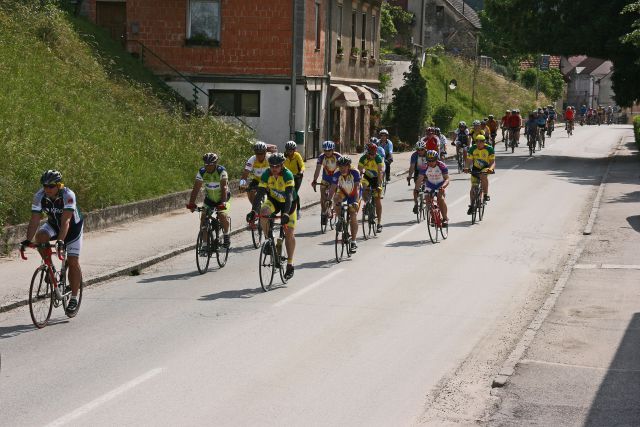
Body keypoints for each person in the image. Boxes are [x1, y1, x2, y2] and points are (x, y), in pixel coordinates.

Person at [22, 170, 84, 315]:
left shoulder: (68, 195)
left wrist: (61, 241)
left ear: (58, 185)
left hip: (73, 227)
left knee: (73, 261)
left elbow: (66, 221)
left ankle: (74, 297)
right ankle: (49, 267)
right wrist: (27, 240)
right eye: (45, 186)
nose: (47, 189)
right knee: (41, 236)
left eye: (51, 186)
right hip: (53, 225)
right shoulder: (39, 196)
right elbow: (35, 220)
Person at [246, 153, 297, 280]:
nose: (274, 169)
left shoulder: (287, 175)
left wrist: (285, 214)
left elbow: (289, 196)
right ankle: (269, 240)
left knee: (289, 233)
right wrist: (253, 211)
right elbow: (259, 194)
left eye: (277, 166)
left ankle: (290, 264)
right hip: (274, 201)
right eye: (272, 166)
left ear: (282, 165)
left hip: (288, 204)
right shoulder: (266, 174)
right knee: (263, 212)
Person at [186, 153, 231, 248]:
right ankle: (205, 244)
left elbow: (224, 187)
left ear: (215, 164)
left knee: (222, 215)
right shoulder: (202, 172)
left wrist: (223, 203)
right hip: (209, 199)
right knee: (203, 218)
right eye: (206, 165)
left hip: (223, 197)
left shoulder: (221, 171)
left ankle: (226, 235)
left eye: (210, 165)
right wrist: (191, 203)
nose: (208, 167)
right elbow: (196, 188)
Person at [327, 156, 361, 252]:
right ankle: (340, 219)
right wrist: (328, 199)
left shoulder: (355, 172)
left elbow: (357, 188)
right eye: (340, 166)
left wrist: (355, 201)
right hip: (343, 192)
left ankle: (354, 241)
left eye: (344, 166)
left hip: (354, 193)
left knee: (353, 215)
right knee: (336, 199)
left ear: (349, 166)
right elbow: (333, 187)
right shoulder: (337, 173)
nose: (342, 169)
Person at [312, 140, 342, 226]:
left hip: (336, 178)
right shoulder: (321, 157)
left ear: (333, 150)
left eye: (329, 150)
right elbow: (317, 169)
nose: (327, 152)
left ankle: (336, 210)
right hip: (326, 178)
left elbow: (343, 168)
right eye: (325, 150)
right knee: (323, 195)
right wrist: (314, 180)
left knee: (336, 196)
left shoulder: (338, 156)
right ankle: (324, 212)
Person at [415, 150, 450, 224]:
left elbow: (447, 179)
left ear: (436, 159)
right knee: (427, 199)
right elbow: (419, 179)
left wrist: (443, 187)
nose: (430, 162)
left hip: (440, 185)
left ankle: (445, 218)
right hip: (430, 185)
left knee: (440, 199)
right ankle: (433, 216)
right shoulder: (424, 166)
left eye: (432, 160)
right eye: (429, 161)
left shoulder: (442, 165)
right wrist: (416, 190)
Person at [464, 135, 495, 214]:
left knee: (483, 176)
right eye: (477, 141)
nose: (478, 143)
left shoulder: (489, 149)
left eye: (481, 141)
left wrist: (491, 169)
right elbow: (468, 160)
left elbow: (492, 162)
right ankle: (472, 205)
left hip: (485, 167)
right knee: (473, 187)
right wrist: (467, 167)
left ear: (484, 142)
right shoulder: (473, 148)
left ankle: (485, 194)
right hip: (476, 168)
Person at [358, 142, 384, 233]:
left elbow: (380, 172)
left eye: (374, 153)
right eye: (371, 153)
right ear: (367, 152)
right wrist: (358, 183)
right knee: (364, 187)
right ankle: (367, 203)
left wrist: (379, 185)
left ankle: (379, 223)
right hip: (367, 177)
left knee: (377, 200)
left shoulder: (378, 158)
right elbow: (359, 171)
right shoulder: (363, 158)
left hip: (376, 178)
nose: (373, 155)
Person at [239, 141, 270, 207]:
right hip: (257, 180)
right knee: (250, 191)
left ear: (265, 152)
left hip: (269, 180)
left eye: (261, 153)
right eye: (257, 153)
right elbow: (245, 173)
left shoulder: (269, 158)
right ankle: (255, 207)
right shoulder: (252, 159)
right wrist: (242, 184)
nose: (259, 155)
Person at [283, 140, 305, 217]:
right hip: (287, 176)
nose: (289, 151)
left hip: (297, 176)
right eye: (288, 149)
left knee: (294, 191)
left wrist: (301, 172)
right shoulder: (284, 156)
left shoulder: (297, 156)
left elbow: (302, 165)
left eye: (291, 150)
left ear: (294, 150)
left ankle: (298, 210)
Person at [409, 140, 428, 213]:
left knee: (427, 187)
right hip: (418, 172)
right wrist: (410, 175)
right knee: (416, 189)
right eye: (418, 150)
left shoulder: (428, 154)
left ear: (425, 149)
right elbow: (412, 166)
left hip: (427, 172)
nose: (420, 151)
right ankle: (416, 204)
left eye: (422, 149)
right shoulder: (414, 155)